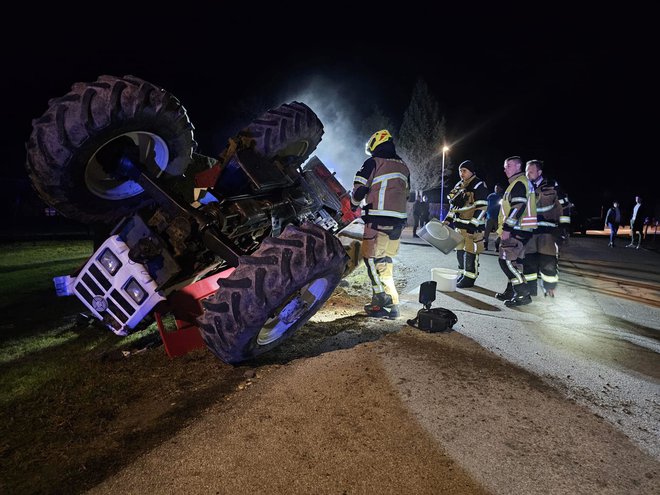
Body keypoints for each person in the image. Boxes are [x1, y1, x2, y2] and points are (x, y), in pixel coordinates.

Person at [350, 129, 410, 319]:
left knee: (370, 259)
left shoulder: (372, 162)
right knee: (384, 262)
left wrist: (353, 206)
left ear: (376, 144)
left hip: (377, 220)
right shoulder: (404, 167)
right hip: (398, 223)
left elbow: (358, 192)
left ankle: (380, 299)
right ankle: (393, 305)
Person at [495, 156, 537, 307]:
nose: (505, 169)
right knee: (513, 262)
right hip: (522, 230)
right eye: (505, 166)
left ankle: (522, 293)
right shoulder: (518, 183)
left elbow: (518, 207)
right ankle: (511, 291)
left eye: (509, 166)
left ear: (518, 167)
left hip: (516, 230)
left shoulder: (518, 183)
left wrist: (507, 229)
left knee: (505, 262)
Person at [522, 160, 566, 298]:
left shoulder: (552, 187)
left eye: (531, 171)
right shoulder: (524, 187)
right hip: (529, 233)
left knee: (548, 262)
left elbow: (564, 208)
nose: (527, 174)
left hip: (548, 233)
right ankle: (530, 290)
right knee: (529, 263)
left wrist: (563, 230)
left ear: (539, 172)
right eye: (526, 171)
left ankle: (549, 289)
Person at [443, 160, 489, 288]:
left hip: (471, 229)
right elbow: (453, 207)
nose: (461, 173)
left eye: (464, 171)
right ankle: (463, 275)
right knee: (460, 252)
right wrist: (448, 220)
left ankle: (469, 278)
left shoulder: (478, 185)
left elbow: (482, 207)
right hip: (459, 227)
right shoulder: (459, 185)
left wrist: (473, 225)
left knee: (470, 253)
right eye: (460, 171)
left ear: (471, 171)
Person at [484, 184, 503, 251]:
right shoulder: (490, 196)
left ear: (501, 189)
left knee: (498, 233)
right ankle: (485, 245)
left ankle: (497, 246)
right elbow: (486, 205)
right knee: (486, 232)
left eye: (498, 188)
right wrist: (484, 214)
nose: (496, 189)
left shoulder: (502, 197)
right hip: (489, 216)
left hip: (498, 218)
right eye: (495, 188)